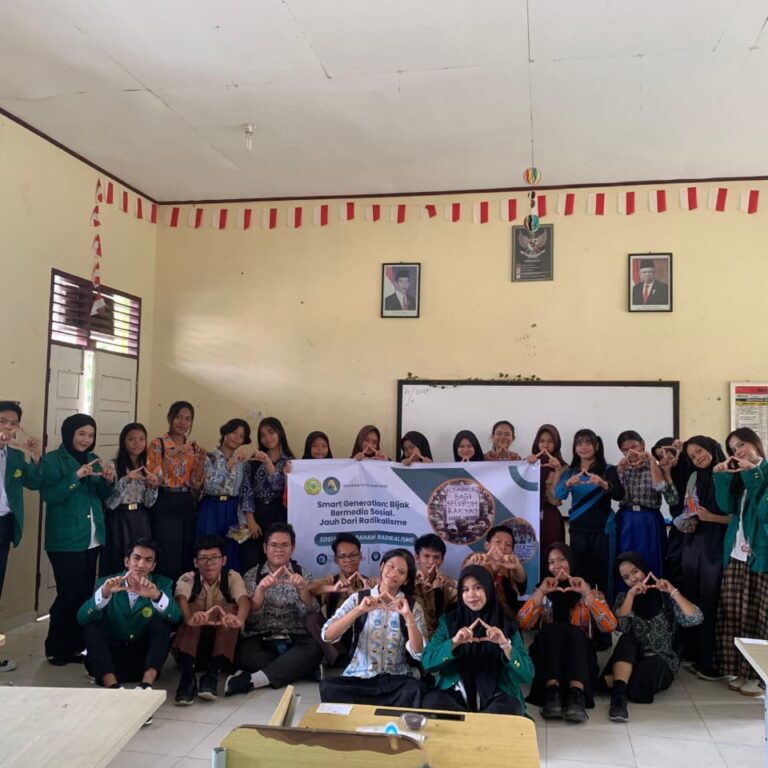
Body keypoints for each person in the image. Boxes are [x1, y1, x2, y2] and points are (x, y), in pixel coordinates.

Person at [41, 413, 115, 665]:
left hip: (92, 537)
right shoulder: (52, 460)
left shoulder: (94, 459)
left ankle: (77, 646)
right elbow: (50, 495)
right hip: (65, 539)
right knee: (68, 593)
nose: (86, 439)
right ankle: (55, 647)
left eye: (91, 435)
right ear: (69, 433)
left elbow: (103, 494)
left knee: (84, 593)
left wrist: (108, 480)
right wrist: (76, 477)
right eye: (81, 433)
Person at [518, 542, 617, 723]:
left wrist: (587, 594)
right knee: (552, 630)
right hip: (548, 656)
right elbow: (523, 623)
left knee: (574, 633)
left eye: (562, 559)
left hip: (580, 658)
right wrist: (541, 592)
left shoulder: (591, 591)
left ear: (572, 561)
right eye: (551, 562)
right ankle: (552, 693)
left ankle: (576, 695)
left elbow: (610, 626)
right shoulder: (542, 591)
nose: (556, 565)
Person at [602, 552, 703, 722]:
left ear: (644, 569)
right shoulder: (623, 598)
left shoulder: (666, 596)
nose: (633, 579)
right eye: (626, 577)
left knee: (650, 670)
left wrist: (672, 591)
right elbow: (620, 627)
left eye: (635, 572)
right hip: (630, 657)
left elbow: (696, 618)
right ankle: (618, 700)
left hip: (660, 659)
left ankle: (613, 682)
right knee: (627, 639)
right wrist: (631, 596)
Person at [319, 548, 427, 707]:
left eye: (401, 572)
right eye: (391, 566)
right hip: (360, 677)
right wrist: (359, 610)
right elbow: (327, 635)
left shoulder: (412, 607)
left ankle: (367, 709)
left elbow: (419, 653)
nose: (393, 573)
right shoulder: (358, 599)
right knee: (329, 687)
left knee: (414, 689)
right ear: (382, 566)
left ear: (406, 580)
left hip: (395, 679)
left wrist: (408, 616)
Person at [224, 522, 322, 696]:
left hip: (294, 638)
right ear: (265, 548)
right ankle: (302, 669)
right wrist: (260, 590)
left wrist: (303, 590)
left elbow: (311, 612)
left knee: (314, 649)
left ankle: (251, 681)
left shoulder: (302, 573)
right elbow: (251, 618)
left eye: (285, 545)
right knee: (243, 654)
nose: (279, 550)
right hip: (262, 638)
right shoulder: (252, 575)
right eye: (274, 545)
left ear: (292, 549)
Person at [422, 565, 533, 715]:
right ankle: (477, 723)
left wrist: (505, 645)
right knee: (432, 701)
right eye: (465, 590)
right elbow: (427, 662)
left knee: (511, 708)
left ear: (489, 589)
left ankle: (466, 723)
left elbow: (527, 674)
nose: (471, 595)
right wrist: (454, 643)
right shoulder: (449, 621)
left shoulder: (506, 624)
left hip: (497, 694)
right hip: (457, 692)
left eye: (478, 587)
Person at [77, 538, 181, 699]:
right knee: (92, 626)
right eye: (136, 558)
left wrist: (156, 596)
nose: (141, 565)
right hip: (111, 659)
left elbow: (176, 618)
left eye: (148, 560)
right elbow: (82, 617)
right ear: (127, 561)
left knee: (162, 624)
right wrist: (104, 594)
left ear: (153, 566)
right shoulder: (106, 582)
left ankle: (146, 685)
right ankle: (113, 687)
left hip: (143, 660)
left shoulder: (162, 584)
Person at [713, 428, 768, 696]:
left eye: (742, 444)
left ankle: (759, 676)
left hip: (761, 555)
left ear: (756, 443)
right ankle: (740, 669)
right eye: (733, 449)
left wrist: (753, 473)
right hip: (736, 553)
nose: (738, 452)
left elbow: (765, 511)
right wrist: (722, 477)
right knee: (734, 614)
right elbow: (727, 507)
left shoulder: (762, 472)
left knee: (759, 616)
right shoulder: (739, 474)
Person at [173, 535, 251, 704]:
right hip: (191, 646)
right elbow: (181, 598)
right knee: (193, 609)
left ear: (224, 560)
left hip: (221, 647)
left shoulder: (232, 577)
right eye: (203, 559)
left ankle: (212, 675)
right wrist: (190, 618)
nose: (209, 563)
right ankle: (187, 679)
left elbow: (243, 599)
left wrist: (239, 619)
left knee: (231, 610)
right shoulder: (189, 578)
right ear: (196, 562)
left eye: (215, 558)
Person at [677, 435, 729, 681]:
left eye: (699, 451)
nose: (697, 457)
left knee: (710, 599)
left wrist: (711, 518)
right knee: (691, 596)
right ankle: (693, 654)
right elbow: (689, 507)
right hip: (694, 542)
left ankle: (709, 661)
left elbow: (738, 516)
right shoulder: (694, 477)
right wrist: (688, 520)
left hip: (717, 544)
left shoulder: (729, 474)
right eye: (692, 456)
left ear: (711, 448)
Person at [554, 429, 624, 599]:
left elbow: (620, 494)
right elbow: (558, 495)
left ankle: (606, 613)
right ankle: (583, 613)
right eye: (579, 443)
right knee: (582, 577)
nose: (583, 447)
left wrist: (604, 484)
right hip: (578, 530)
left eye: (588, 443)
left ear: (596, 446)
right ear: (574, 448)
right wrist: (567, 485)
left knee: (606, 576)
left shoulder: (608, 470)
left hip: (604, 530)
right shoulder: (570, 472)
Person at [0, 401, 42, 673]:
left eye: (13, 423)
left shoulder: (15, 456)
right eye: (2, 421)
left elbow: (35, 482)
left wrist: (36, 456)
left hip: (4, 525)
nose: (7, 427)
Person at [147, 401, 205, 583]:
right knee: (167, 550)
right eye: (179, 417)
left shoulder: (192, 447)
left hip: (186, 500)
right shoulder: (158, 444)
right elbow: (155, 478)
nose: (183, 422)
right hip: (164, 499)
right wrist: (169, 456)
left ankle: (184, 593)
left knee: (186, 549)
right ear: (170, 418)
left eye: (187, 419)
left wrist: (202, 461)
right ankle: (165, 592)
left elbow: (195, 481)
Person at [615, 430, 679, 579]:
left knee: (651, 560)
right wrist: (619, 471)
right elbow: (616, 494)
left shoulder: (658, 466)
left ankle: (654, 592)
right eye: (625, 450)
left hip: (649, 519)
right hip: (626, 519)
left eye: (634, 446)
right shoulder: (620, 469)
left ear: (642, 445)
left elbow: (662, 489)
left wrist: (651, 461)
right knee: (626, 559)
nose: (631, 452)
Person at [308, 533, 374, 667]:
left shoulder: (369, 582)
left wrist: (370, 591)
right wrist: (332, 588)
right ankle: (341, 659)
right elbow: (309, 588)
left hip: (364, 635)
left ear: (361, 556)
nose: (348, 560)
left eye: (353, 555)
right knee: (312, 619)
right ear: (336, 559)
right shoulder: (331, 581)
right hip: (337, 638)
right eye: (343, 556)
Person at [102, 423, 159, 577]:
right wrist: (125, 480)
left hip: (140, 518)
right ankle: (116, 590)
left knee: (141, 559)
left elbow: (149, 503)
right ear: (123, 441)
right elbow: (110, 504)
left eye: (141, 439)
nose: (137, 443)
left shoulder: (148, 466)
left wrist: (153, 487)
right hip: (119, 519)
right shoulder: (113, 465)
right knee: (118, 560)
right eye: (131, 439)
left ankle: (140, 590)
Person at [239, 417, 294, 573]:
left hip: (280, 513)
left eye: (271, 432)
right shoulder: (253, 461)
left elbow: (279, 487)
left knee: (277, 557)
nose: (267, 438)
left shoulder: (289, 462)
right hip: (257, 512)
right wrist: (250, 519)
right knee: (252, 558)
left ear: (280, 433)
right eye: (263, 435)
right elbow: (246, 490)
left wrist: (269, 463)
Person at [197, 419, 251, 573]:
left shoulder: (243, 461)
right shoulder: (209, 457)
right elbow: (209, 486)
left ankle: (229, 585)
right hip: (211, 507)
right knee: (209, 548)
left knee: (231, 550)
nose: (236, 438)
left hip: (233, 508)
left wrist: (243, 519)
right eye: (234, 432)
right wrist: (228, 466)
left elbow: (244, 490)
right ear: (225, 432)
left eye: (241, 436)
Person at [525, 424, 567, 579]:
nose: (545, 445)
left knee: (551, 555)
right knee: (529, 554)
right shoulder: (527, 463)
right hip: (528, 517)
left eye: (550, 441)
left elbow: (555, 499)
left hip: (550, 518)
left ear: (556, 444)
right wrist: (525, 464)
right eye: (542, 441)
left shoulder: (563, 467)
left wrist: (557, 471)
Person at [463, 526, 526, 616]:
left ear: (512, 551)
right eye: (498, 541)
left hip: (506, 618)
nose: (503, 547)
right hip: (477, 616)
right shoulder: (476, 558)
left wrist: (517, 566)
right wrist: (472, 564)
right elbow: (463, 579)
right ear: (487, 545)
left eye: (508, 545)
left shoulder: (511, 565)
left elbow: (521, 583)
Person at [652, 437, 690, 583]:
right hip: (678, 527)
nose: (665, 458)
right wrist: (667, 474)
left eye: (667, 452)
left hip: (699, 526)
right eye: (660, 456)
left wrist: (683, 449)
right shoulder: (665, 472)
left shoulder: (691, 466)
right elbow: (673, 501)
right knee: (674, 565)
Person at [412, 533, 457, 638]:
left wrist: (452, 584)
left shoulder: (446, 585)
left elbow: (468, 595)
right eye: (426, 556)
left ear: (442, 560)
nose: (431, 562)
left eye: (436, 557)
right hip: (411, 639)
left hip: (437, 640)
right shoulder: (406, 580)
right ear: (417, 558)